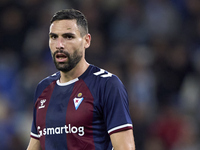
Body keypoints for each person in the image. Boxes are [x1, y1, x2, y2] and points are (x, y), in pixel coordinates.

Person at [27, 8, 135, 150]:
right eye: (54, 37)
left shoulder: (107, 85)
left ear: (86, 41)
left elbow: (125, 147)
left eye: (68, 37)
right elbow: (35, 145)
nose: (59, 45)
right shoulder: (43, 88)